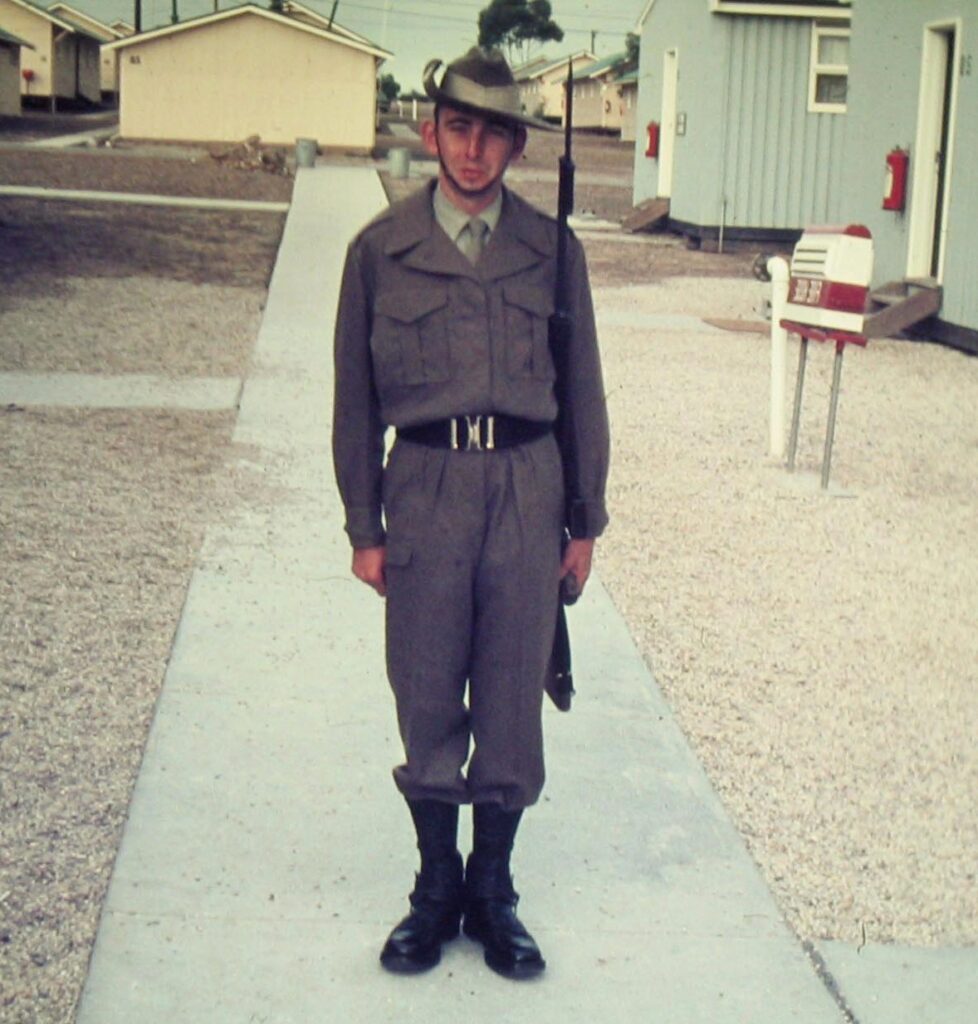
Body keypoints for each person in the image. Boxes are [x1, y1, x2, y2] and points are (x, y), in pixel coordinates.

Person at [332, 46, 609, 980]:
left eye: (494, 133)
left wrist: (584, 521)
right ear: (431, 131)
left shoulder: (552, 251)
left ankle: (493, 891)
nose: (474, 149)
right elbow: (354, 401)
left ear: (517, 147)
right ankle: (434, 888)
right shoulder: (380, 250)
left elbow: (583, 391)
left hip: (528, 487)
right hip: (425, 485)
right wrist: (364, 526)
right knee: (423, 691)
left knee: (510, 697)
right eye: (459, 127)